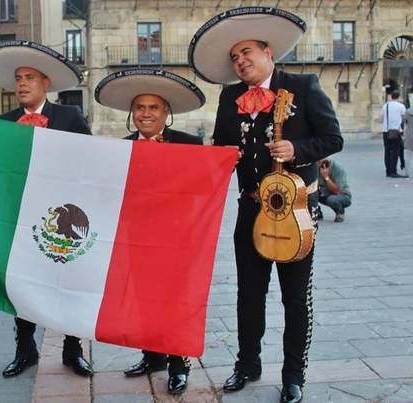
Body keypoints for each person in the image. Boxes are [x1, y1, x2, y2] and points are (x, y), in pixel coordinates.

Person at [189, 8, 343, 403]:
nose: (240, 62)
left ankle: (294, 376)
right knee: (248, 293)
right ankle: (247, 364)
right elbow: (223, 151)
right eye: (234, 59)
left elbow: (333, 138)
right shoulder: (229, 97)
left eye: (246, 53)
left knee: (295, 297)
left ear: (268, 52)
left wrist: (298, 149)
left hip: (296, 212)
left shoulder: (304, 86)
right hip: (250, 210)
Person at [0, 40, 93, 378]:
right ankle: (25, 349)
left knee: (69, 281)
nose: (23, 84)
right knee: (23, 284)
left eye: (30, 77)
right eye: (18, 78)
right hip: (21, 216)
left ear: (46, 83)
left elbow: (89, 161)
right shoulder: (3, 123)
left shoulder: (69, 116)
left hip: (64, 217)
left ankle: (73, 350)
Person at [94, 67, 206, 394]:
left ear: (166, 112)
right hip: (137, 238)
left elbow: (202, 189)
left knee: (176, 302)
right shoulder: (120, 148)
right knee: (144, 300)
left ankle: (178, 365)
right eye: (140, 107)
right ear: (132, 112)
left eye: (153, 107)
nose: (145, 113)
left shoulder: (190, 144)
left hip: (176, 238)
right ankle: (152, 356)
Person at [380, 90, 407, 178]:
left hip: (386, 131)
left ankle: (388, 171)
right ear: (398, 97)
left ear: (391, 96)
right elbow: (404, 118)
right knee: (395, 151)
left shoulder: (385, 106)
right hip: (396, 131)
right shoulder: (401, 106)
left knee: (387, 151)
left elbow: (382, 118)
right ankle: (393, 171)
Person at [317, 158, 351, 222]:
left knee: (332, 200)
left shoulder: (338, 169)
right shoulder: (316, 168)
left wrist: (326, 177)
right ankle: (316, 211)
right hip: (325, 193)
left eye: (318, 161)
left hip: (343, 195)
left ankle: (340, 213)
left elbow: (337, 191)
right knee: (309, 193)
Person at [403, 104, 413, 178]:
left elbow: (405, 124)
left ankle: (407, 172)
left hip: (410, 134)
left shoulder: (408, 111)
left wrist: (404, 135)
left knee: (408, 155)